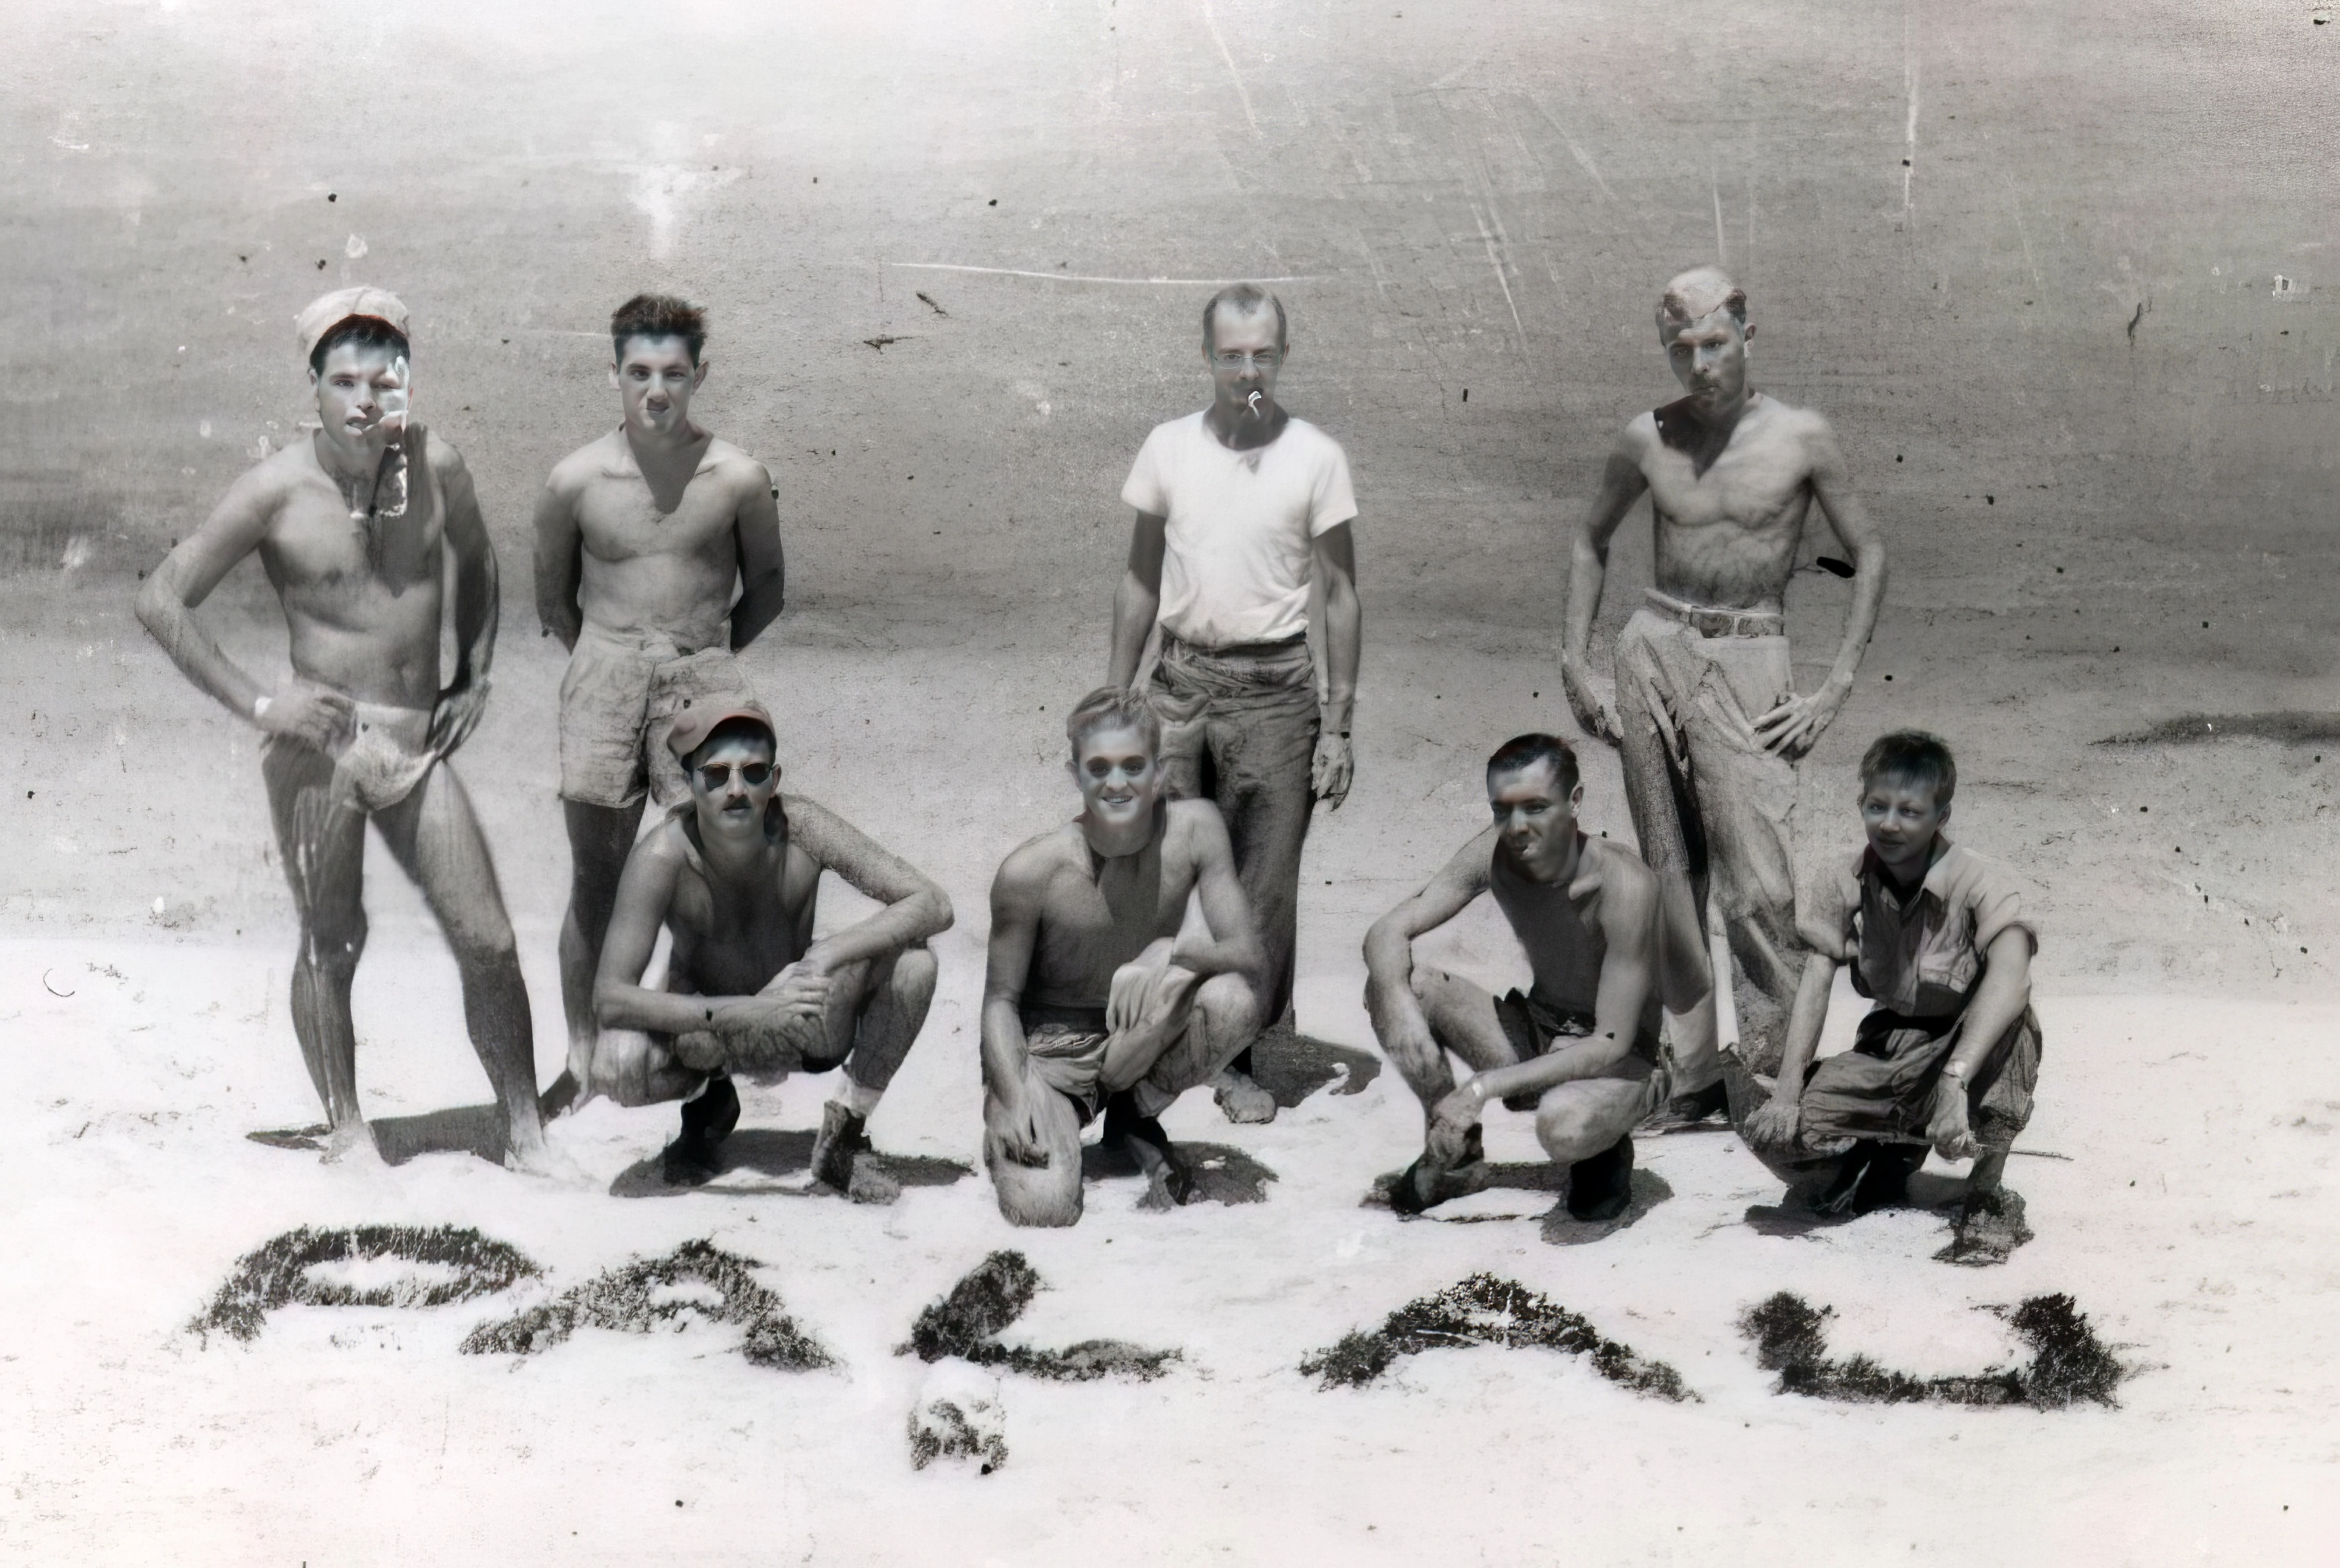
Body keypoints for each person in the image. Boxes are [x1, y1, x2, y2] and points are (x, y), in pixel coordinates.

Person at [135, 287, 556, 1171]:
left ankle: (525, 1131)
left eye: (386, 379)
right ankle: (349, 1128)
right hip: (316, 746)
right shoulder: (274, 490)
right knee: (333, 942)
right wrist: (261, 702)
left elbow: (477, 563)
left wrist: (474, 671)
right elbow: (159, 598)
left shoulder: (440, 465)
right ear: (315, 390)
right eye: (346, 381)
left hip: (412, 744)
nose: (367, 399)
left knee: (487, 938)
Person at [1560, 265, 1888, 1127]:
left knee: (1761, 888)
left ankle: (1781, 1082)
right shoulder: (1646, 436)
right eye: (1680, 349)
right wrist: (1575, 659)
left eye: (1713, 342)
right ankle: (1698, 1073)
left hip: (1751, 657)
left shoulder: (1802, 437)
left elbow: (1870, 556)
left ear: (1748, 334)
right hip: (1651, 648)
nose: (1698, 364)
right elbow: (1589, 541)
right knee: (1670, 877)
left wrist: (1833, 686)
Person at [1106, 283, 1361, 1125]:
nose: (1245, 370)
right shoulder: (1167, 447)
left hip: (1277, 695)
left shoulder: (1316, 456)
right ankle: (1146, 1039)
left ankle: (1236, 1056)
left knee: (1261, 890)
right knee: (1159, 871)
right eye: (1228, 354)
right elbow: (1141, 576)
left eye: (1261, 354)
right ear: (1205, 355)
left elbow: (1339, 596)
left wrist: (1340, 724)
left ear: (1281, 357)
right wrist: (1117, 692)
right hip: (1176, 686)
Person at [533, 292, 786, 1113]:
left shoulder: (738, 477)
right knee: (596, 877)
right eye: (638, 371)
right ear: (613, 373)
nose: (655, 390)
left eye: (673, 374)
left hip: (702, 670)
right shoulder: (573, 480)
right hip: (602, 675)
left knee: (711, 871)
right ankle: (580, 1055)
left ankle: (703, 1058)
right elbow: (553, 603)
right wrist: (615, 668)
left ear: (699, 375)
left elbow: (768, 591)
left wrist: (700, 664)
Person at [588, 702, 951, 1195]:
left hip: (800, 1020)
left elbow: (932, 902)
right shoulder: (662, 854)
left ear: (774, 779)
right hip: (708, 1037)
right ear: (689, 783)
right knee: (616, 1060)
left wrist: (826, 955)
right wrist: (745, 1011)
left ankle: (845, 1130)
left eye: (753, 772)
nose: (735, 788)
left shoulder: (802, 827)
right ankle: (707, 1096)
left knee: (915, 964)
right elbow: (610, 997)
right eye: (716, 774)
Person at [1362, 735, 1710, 1222]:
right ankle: (1453, 1152)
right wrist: (1392, 996)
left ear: (1575, 802)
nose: (1517, 828)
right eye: (1502, 811)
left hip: (1619, 1057)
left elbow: (1610, 1042)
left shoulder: (1625, 883)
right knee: (1404, 985)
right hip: (1538, 1028)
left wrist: (1482, 1088)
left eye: (1536, 807)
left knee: (1563, 1129)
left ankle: (1605, 1152)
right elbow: (1393, 926)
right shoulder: (1494, 852)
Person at [980, 688, 1265, 1226]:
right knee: (1045, 1209)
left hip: (1140, 1034)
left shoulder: (1197, 829)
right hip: (1049, 1055)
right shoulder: (1031, 872)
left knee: (1234, 1001)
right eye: (1100, 768)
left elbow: (1250, 957)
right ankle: (1049, 1129)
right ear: (1075, 774)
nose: (1117, 783)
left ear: (1159, 773)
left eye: (1134, 765)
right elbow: (999, 1001)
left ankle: (1134, 1116)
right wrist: (1015, 1094)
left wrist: (1171, 950)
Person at [1742, 731, 2042, 1218]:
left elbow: (2013, 981)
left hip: (1964, 1043)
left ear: (1941, 817)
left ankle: (1986, 1187)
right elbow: (1817, 979)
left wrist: (1954, 1079)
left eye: (1910, 811)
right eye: (1877, 807)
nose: (1890, 825)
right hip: (1890, 1042)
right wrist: (1786, 1092)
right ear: (1860, 803)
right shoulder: (1843, 878)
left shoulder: (1986, 883)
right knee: (1783, 1139)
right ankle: (1892, 1149)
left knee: (2015, 1026)